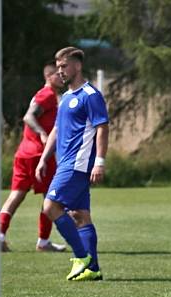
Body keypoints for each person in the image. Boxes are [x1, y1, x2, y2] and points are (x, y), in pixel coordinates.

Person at [36, 47, 109, 281]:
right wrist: (43, 158)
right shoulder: (66, 97)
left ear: (77, 66)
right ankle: (93, 269)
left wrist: (99, 161)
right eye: (58, 67)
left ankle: (82, 256)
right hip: (64, 163)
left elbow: (102, 127)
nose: (60, 71)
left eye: (64, 66)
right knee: (80, 215)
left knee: (50, 207)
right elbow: (56, 129)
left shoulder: (91, 95)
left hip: (77, 165)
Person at [0, 61, 67, 253]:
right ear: (48, 76)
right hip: (38, 153)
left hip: (24, 152)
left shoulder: (44, 95)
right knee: (50, 198)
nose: (62, 77)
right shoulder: (47, 95)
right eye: (58, 75)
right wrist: (42, 134)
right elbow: (29, 116)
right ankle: (43, 242)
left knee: (16, 196)